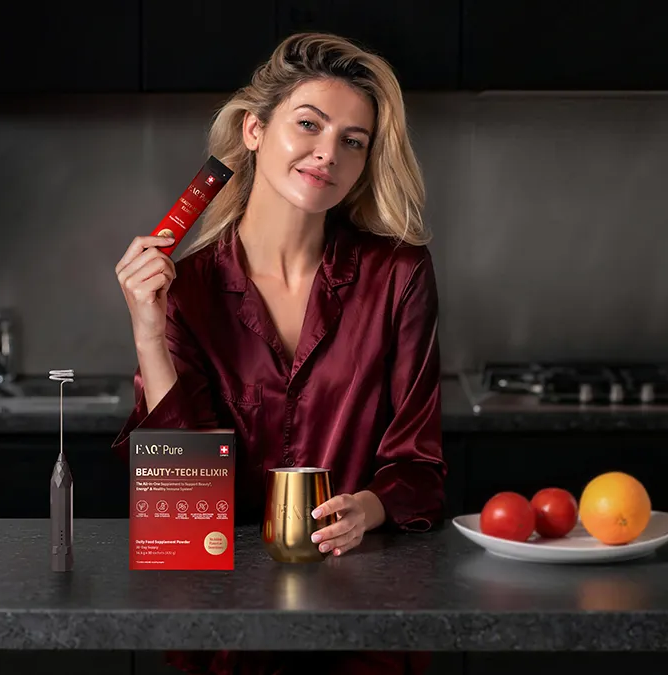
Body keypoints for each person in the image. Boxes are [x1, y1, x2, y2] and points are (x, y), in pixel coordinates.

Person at [111, 32, 446, 675]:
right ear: (254, 130)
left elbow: (419, 466)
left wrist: (368, 509)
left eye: (354, 140)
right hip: (222, 629)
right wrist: (150, 335)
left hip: (363, 621)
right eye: (309, 124)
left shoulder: (399, 276)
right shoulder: (187, 293)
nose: (329, 152)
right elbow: (184, 517)